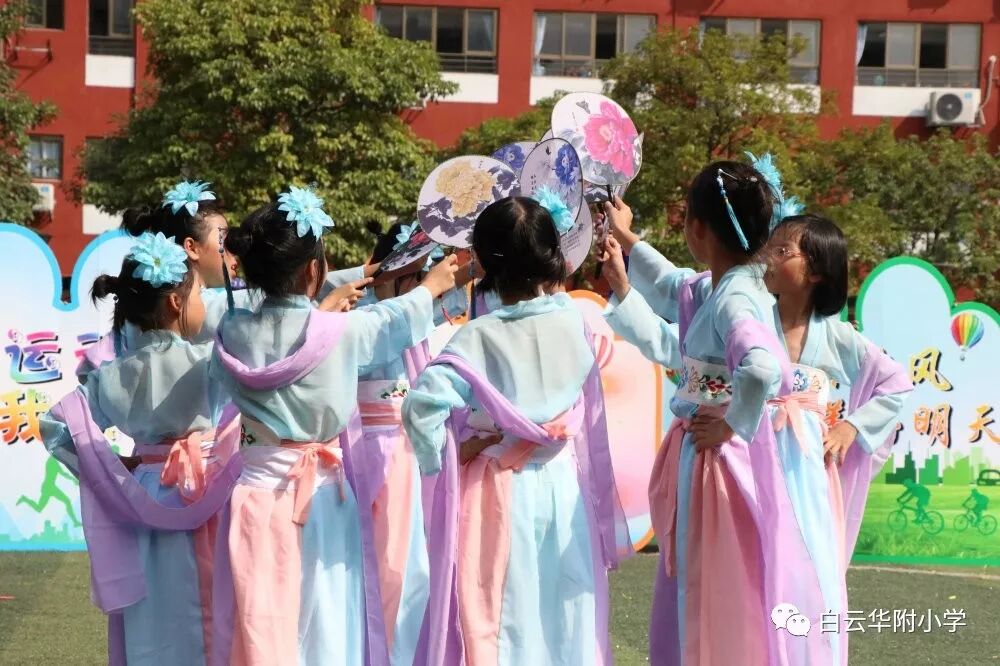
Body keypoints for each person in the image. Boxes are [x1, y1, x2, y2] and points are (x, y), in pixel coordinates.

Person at [209, 186, 458, 665]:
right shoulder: (339, 332)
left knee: (259, 626)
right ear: (313, 270)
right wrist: (430, 287)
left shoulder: (233, 331)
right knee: (328, 629)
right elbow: (392, 318)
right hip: (322, 499)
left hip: (255, 495)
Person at [601, 160, 832, 665]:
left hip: (720, 464)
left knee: (713, 587)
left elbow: (762, 367)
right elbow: (674, 286)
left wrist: (729, 424)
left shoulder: (734, 299)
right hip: (720, 459)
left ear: (698, 228)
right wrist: (627, 242)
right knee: (718, 583)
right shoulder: (731, 284)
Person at [403, 195, 629, 665]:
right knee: (566, 612)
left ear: (483, 260)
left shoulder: (478, 336)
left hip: (497, 492)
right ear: (551, 255)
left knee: (502, 616)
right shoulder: (574, 319)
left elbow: (420, 407)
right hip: (564, 488)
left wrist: (449, 455)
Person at [40, 231, 242, 665]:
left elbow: (56, 426)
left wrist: (112, 466)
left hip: (145, 495)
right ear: (175, 302)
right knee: (210, 607)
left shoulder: (111, 376)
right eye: (198, 295)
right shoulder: (207, 363)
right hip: (202, 491)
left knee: (152, 614)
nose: (203, 304)